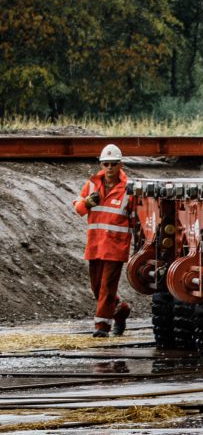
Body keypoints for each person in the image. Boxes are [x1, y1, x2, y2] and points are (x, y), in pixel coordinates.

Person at [72, 144, 135, 337]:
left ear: (120, 165)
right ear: (101, 164)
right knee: (96, 287)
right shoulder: (91, 185)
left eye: (113, 164)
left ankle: (102, 327)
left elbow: (135, 219)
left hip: (116, 246)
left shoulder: (129, 189)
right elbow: (78, 208)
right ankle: (121, 309)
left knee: (107, 287)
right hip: (96, 244)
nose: (109, 168)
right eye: (106, 164)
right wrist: (86, 203)